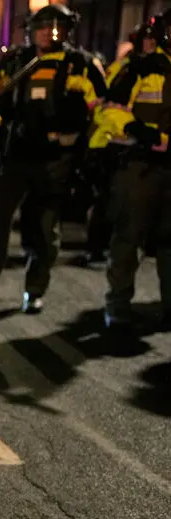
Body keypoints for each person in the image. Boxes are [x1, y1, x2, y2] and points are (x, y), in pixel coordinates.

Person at [0, 5, 106, 315]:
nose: (49, 31)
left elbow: (100, 112)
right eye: (43, 25)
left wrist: (85, 149)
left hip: (57, 161)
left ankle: (34, 290)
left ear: (67, 30)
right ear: (31, 29)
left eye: (56, 25)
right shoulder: (16, 61)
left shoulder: (81, 65)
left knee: (44, 230)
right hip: (14, 155)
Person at [97, 11, 171, 331]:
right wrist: (138, 130)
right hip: (141, 164)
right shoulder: (139, 67)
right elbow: (108, 110)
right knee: (129, 237)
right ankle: (118, 304)